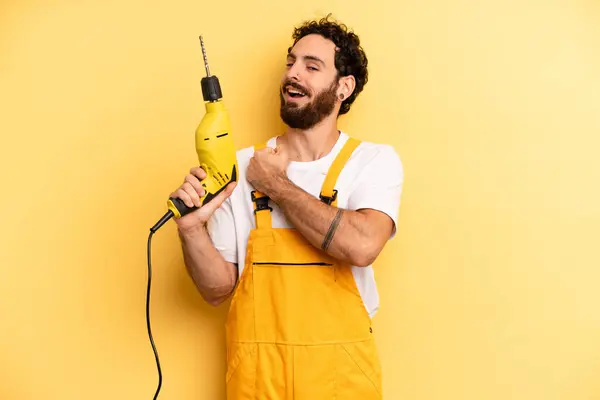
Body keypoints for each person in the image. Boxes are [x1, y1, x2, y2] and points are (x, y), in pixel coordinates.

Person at [169, 15, 404, 399]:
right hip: (257, 382)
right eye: (291, 62)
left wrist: (275, 185)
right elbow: (216, 290)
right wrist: (191, 229)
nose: (294, 74)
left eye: (312, 67)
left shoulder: (372, 162)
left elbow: (362, 246)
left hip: (341, 381)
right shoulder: (240, 167)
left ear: (344, 87)